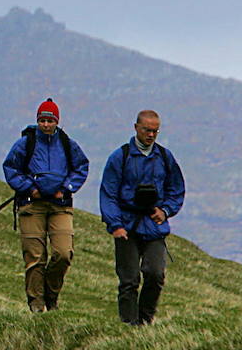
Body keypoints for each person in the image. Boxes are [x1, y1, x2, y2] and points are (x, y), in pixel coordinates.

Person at [99, 109, 186, 326]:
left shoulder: (165, 157)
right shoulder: (120, 157)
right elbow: (108, 193)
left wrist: (165, 211)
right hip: (126, 226)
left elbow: (176, 189)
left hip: (154, 227)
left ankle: (145, 321)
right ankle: (129, 324)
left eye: (155, 131)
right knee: (129, 280)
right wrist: (115, 225)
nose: (151, 135)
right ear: (136, 127)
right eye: (147, 130)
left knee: (155, 274)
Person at [2, 98, 90, 312]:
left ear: (57, 121)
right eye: (42, 120)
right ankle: (37, 304)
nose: (46, 124)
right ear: (37, 121)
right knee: (35, 257)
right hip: (32, 206)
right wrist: (30, 188)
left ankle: (51, 295)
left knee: (63, 253)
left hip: (60, 205)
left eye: (50, 120)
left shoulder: (68, 144)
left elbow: (81, 167)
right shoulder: (26, 143)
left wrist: (66, 188)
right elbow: (11, 168)